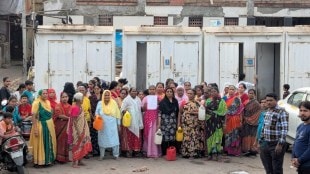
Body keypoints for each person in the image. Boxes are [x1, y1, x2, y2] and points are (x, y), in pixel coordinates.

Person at [259, 93, 288, 174]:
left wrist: (280, 144)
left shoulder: (281, 112)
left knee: (276, 169)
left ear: (276, 100)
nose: (268, 102)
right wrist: (260, 141)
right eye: (267, 100)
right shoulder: (267, 111)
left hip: (276, 144)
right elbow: (264, 127)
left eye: (271, 100)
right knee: (268, 169)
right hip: (266, 143)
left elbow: (284, 129)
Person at [29, 89, 57, 167]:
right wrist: (35, 128)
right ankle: (39, 162)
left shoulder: (48, 102)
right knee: (41, 143)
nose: (45, 95)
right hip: (41, 125)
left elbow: (50, 113)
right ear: (40, 94)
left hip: (49, 124)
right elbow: (33, 116)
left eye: (46, 93)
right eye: (43, 93)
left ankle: (48, 160)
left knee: (49, 142)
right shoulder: (36, 103)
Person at [67, 92, 92, 168]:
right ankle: (75, 163)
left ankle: (80, 160)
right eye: (82, 99)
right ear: (78, 99)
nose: (82, 100)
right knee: (76, 145)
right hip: (77, 130)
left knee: (82, 144)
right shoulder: (75, 108)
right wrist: (78, 132)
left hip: (83, 129)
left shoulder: (80, 107)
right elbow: (74, 121)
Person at [96, 90, 121, 160]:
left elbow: (117, 115)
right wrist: (98, 118)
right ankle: (102, 155)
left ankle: (116, 155)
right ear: (103, 96)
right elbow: (96, 113)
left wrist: (118, 124)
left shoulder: (114, 103)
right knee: (102, 139)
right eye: (105, 95)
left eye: (108, 95)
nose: (107, 96)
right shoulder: (100, 103)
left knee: (114, 140)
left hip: (112, 125)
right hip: (102, 125)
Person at [180, 88, 205, 158]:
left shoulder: (198, 103)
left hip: (195, 123)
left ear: (194, 95)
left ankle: (195, 153)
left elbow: (202, 112)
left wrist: (193, 112)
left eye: (191, 94)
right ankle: (186, 153)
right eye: (188, 93)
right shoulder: (184, 102)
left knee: (195, 137)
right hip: (186, 123)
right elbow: (180, 112)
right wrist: (180, 123)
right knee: (187, 137)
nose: (189, 95)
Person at [205, 87, 227, 161]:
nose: (213, 93)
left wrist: (225, 123)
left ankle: (218, 154)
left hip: (218, 123)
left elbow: (224, 113)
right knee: (209, 138)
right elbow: (205, 111)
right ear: (210, 93)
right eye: (212, 91)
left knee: (218, 138)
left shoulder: (222, 101)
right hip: (209, 122)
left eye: (215, 91)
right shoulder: (207, 101)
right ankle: (210, 154)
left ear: (218, 92)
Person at [120, 87, 143, 157]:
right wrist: (126, 112)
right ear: (129, 92)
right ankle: (128, 151)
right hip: (129, 121)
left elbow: (140, 110)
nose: (134, 92)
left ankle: (135, 151)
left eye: (135, 91)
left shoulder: (138, 99)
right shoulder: (126, 100)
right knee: (128, 137)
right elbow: (122, 109)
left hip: (137, 120)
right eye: (133, 91)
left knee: (136, 136)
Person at [157, 87, 179, 155]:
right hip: (164, 123)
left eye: (170, 91)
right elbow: (159, 114)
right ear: (165, 93)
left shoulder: (175, 101)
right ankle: (165, 153)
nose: (169, 93)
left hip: (173, 123)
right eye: (168, 91)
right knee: (165, 138)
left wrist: (178, 123)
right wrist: (159, 124)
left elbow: (178, 113)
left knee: (172, 138)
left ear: (173, 93)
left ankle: (172, 152)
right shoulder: (162, 102)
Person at [224, 85, 244, 156]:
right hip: (228, 119)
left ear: (235, 91)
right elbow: (225, 110)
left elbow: (240, 110)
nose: (231, 91)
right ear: (228, 90)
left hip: (235, 119)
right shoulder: (226, 99)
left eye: (233, 89)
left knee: (235, 135)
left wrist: (241, 121)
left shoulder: (237, 99)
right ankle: (228, 150)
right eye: (230, 89)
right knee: (228, 134)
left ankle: (235, 151)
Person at [142, 85, 161, 158]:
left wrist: (158, 102)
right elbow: (143, 109)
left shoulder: (158, 98)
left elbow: (160, 109)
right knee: (147, 134)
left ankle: (155, 152)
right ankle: (147, 151)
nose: (152, 90)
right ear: (148, 90)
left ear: (155, 90)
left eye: (153, 89)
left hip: (155, 118)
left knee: (154, 135)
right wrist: (145, 106)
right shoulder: (145, 98)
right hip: (147, 118)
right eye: (150, 89)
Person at [292, 101, 310, 174]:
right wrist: (293, 158)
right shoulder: (300, 126)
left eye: (305, 111)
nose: (302, 113)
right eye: (301, 110)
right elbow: (295, 143)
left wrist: (299, 160)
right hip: (300, 165)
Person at [241, 89, 261, 155]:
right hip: (245, 121)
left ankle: (252, 150)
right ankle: (246, 149)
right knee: (246, 135)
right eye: (249, 93)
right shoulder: (246, 102)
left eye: (252, 93)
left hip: (253, 122)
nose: (250, 94)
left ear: (254, 94)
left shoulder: (256, 103)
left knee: (252, 135)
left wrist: (250, 119)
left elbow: (257, 113)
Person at [53, 92, 71, 163]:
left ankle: (66, 158)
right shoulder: (58, 105)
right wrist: (69, 118)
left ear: (68, 98)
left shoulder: (70, 106)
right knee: (60, 142)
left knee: (67, 142)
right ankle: (59, 158)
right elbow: (59, 115)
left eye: (66, 97)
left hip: (67, 127)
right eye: (63, 97)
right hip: (59, 127)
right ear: (60, 98)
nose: (64, 98)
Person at [89, 83, 102, 156]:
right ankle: (94, 150)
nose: (96, 90)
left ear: (100, 89)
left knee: (101, 134)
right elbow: (89, 109)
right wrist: (93, 117)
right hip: (93, 118)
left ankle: (101, 150)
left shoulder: (103, 97)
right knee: (94, 135)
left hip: (101, 118)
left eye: (98, 89)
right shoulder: (91, 97)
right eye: (95, 89)